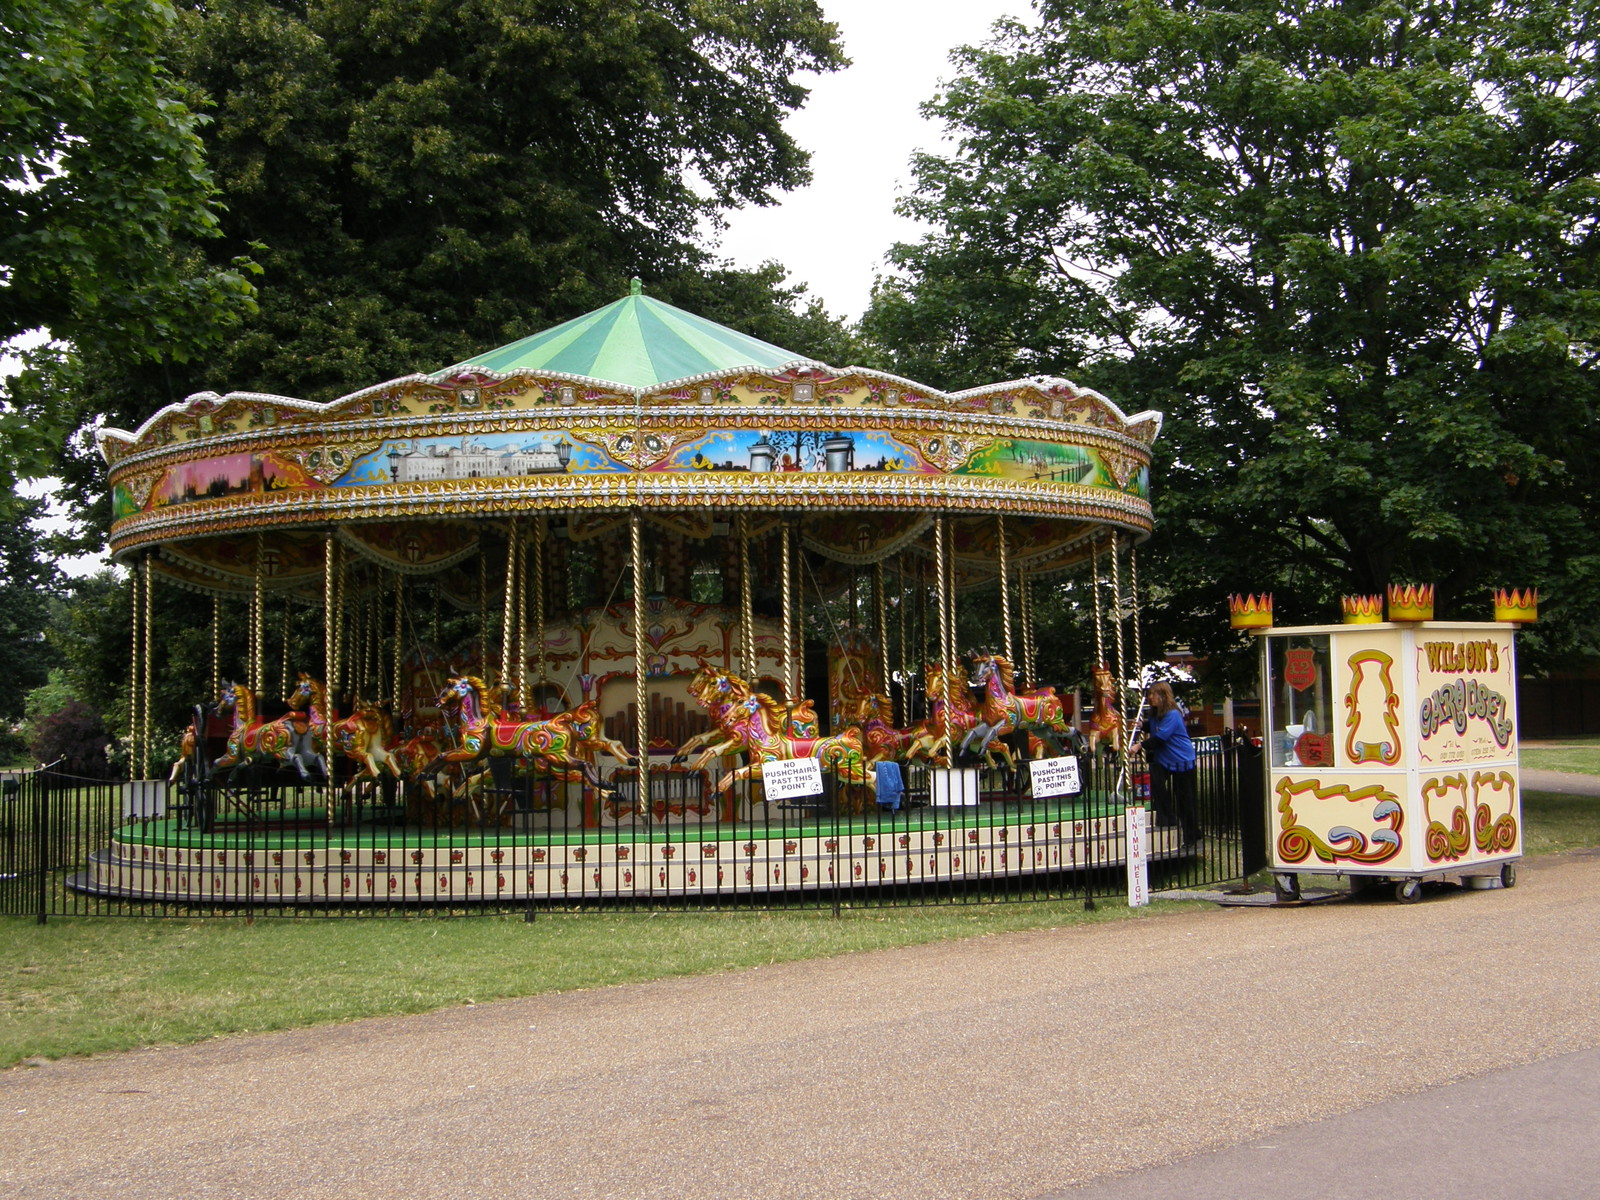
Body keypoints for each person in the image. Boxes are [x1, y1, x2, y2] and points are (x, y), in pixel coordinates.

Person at [1138, 681, 1201, 849]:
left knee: (1185, 799)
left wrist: (1139, 746)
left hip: (1181, 760)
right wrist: (1142, 726)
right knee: (1157, 785)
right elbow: (1153, 727)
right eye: (1149, 694)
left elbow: (1160, 738)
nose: (1150, 697)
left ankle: (1191, 835)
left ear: (1163, 696)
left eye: (1153, 694)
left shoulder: (1173, 714)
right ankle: (1167, 818)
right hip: (1163, 760)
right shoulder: (1155, 714)